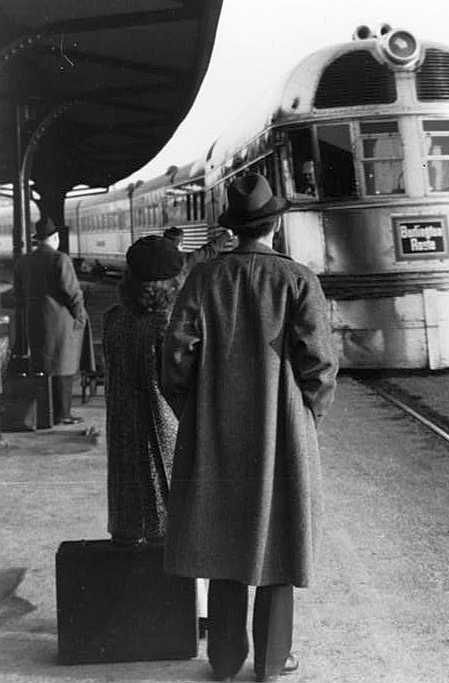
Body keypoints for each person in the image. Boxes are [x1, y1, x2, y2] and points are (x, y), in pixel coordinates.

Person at [161, 173, 338, 682]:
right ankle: (271, 661)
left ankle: (223, 659)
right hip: (281, 431)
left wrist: (194, 412)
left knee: (221, 538)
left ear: (233, 229)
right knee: (278, 540)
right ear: (275, 223)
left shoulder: (202, 278)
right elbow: (320, 365)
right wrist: (306, 420)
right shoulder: (299, 279)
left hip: (214, 428)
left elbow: (175, 360)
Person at [103, 235, 185, 544]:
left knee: (128, 527)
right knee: (166, 532)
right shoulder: (168, 325)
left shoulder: (112, 320)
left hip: (123, 437)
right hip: (164, 440)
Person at [13, 217, 87, 424]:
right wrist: (80, 315)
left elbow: (17, 294)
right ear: (55, 238)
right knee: (64, 364)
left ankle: (45, 411)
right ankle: (63, 413)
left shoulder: (24, 261)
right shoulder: (60, 259)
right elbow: (72, 292)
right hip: (61, 321)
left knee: (42, 363)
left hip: (35, 319)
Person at [163, 225, 234, 272]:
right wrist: (227, 235)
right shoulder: (182, 261)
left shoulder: (156, 258)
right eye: (182, 242)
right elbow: (209, 252)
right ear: (179, 244)